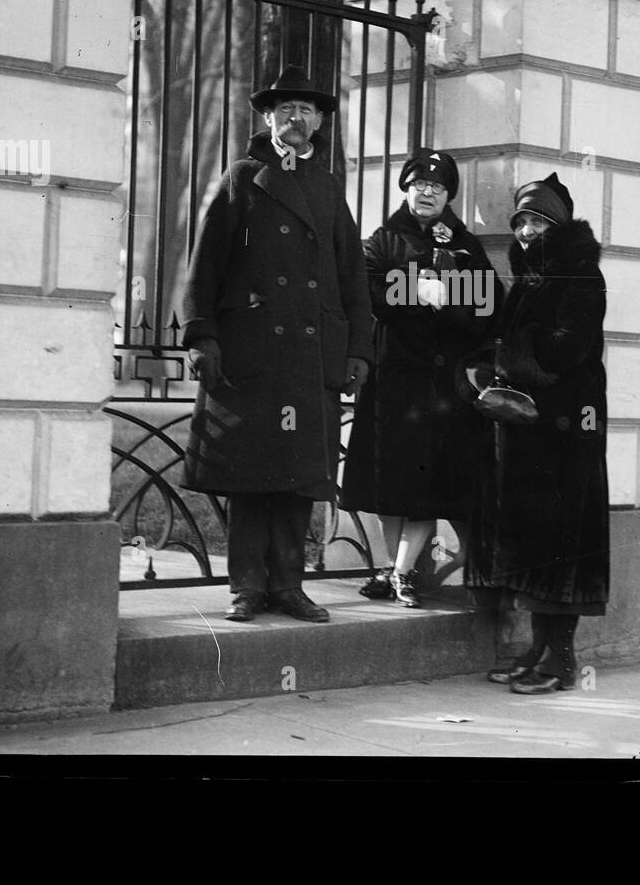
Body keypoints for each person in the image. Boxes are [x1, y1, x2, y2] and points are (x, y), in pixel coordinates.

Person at [179, 65, 372, 624]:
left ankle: (288, 586)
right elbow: (206, 264)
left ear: (319, 124)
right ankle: (247, 587)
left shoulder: (329, 187)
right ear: (268, 119)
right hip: (251, 352)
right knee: (250, 476)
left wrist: (359, 348)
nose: (296, 118)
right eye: (285, 109)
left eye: (307, 111)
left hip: (310, 356)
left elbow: (351, 274)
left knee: (297, 478)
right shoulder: (243, 177)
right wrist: (203, 336)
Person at [461, 172, 609, 693]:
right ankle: (537, 648)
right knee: (537, 543)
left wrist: (511, 353)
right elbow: (509, 340)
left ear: (557, 226)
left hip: (568, 432)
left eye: (537, 221)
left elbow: (565, 350)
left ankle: (561, 658)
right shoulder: (529, 278)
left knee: (561, 543)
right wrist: (486, 366)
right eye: (521, 221)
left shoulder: (582, 276)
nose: (525, 231)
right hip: (532, 432)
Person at [341, 150, 501, 607]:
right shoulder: (385, 237)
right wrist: (416, 288)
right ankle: (398, 572)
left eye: (437, 187)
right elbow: (366, 288)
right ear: (406, 189)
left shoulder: (466, 244)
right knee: (390, 484)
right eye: (418, 185)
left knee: (427, 486)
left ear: (449, 194)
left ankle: (400, 574)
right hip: (393, 377)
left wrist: (447, 298)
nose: (427, 192)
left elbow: (489, 305)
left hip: (444, 389)